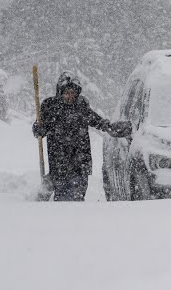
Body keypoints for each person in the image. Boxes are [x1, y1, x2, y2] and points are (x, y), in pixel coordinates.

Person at [32, 71, 132, 201]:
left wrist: (110, 127)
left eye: (73, 93)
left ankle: (76, 218)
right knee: (62, 199)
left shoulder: (81, 106)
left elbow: (96, 120)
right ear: (60, 92)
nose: (70, 96)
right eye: (66, 93)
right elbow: (39, 128)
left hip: (80, 161)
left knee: (77, 197)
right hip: (58, 161)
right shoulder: (51, 107)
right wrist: (39, 129)